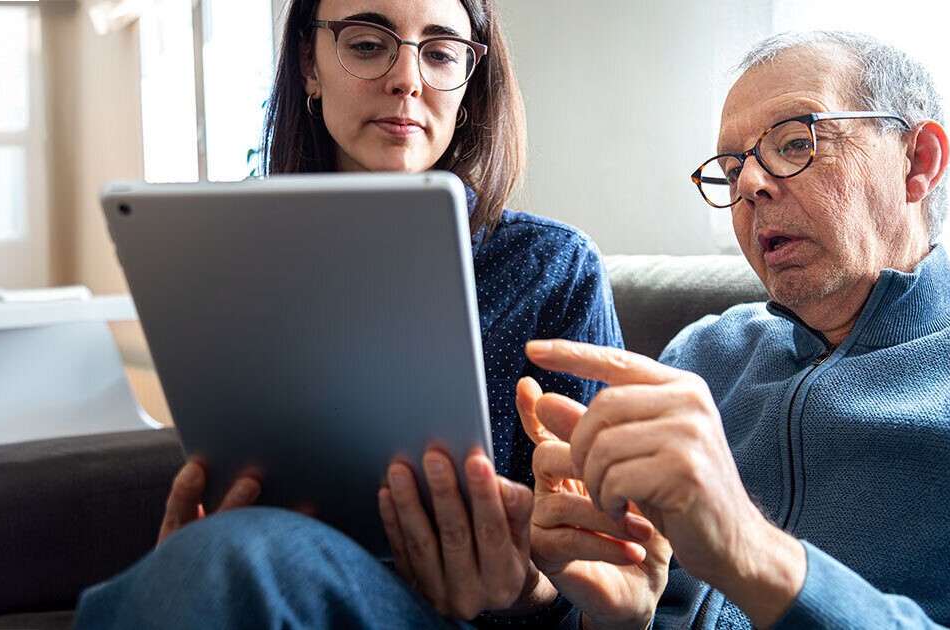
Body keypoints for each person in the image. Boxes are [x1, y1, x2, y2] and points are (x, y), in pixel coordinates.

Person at [515, 30, 950, 629]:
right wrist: (616, 618)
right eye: (731, 170)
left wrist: (751, 552)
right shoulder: (700, 353)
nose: (749, 185)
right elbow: (625, 599)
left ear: (919, 161)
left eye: (793, 142)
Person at [74, 0, 623, 626]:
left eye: (441, 53)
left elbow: (602, 589)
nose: (408, 79)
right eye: (367, 45)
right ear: (309, 64)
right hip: (274, 585)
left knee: (229, 562)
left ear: (469, 85)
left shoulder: (554, 267)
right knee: (220, 561)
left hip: (471, 620)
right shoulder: (231, 256)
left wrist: (529, 594)